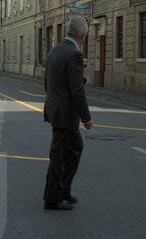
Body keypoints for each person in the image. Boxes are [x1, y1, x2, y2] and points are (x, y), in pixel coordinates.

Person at [43, 16, 93, 211]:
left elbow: (48, 82)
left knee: (71, 150)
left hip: (55, 109)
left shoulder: (55, 50)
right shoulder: (74, 54)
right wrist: (86, 118)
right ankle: (53, 198)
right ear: (83, 36)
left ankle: (62, 191)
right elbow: (77, 91)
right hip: (65, 113)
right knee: (61, 155)